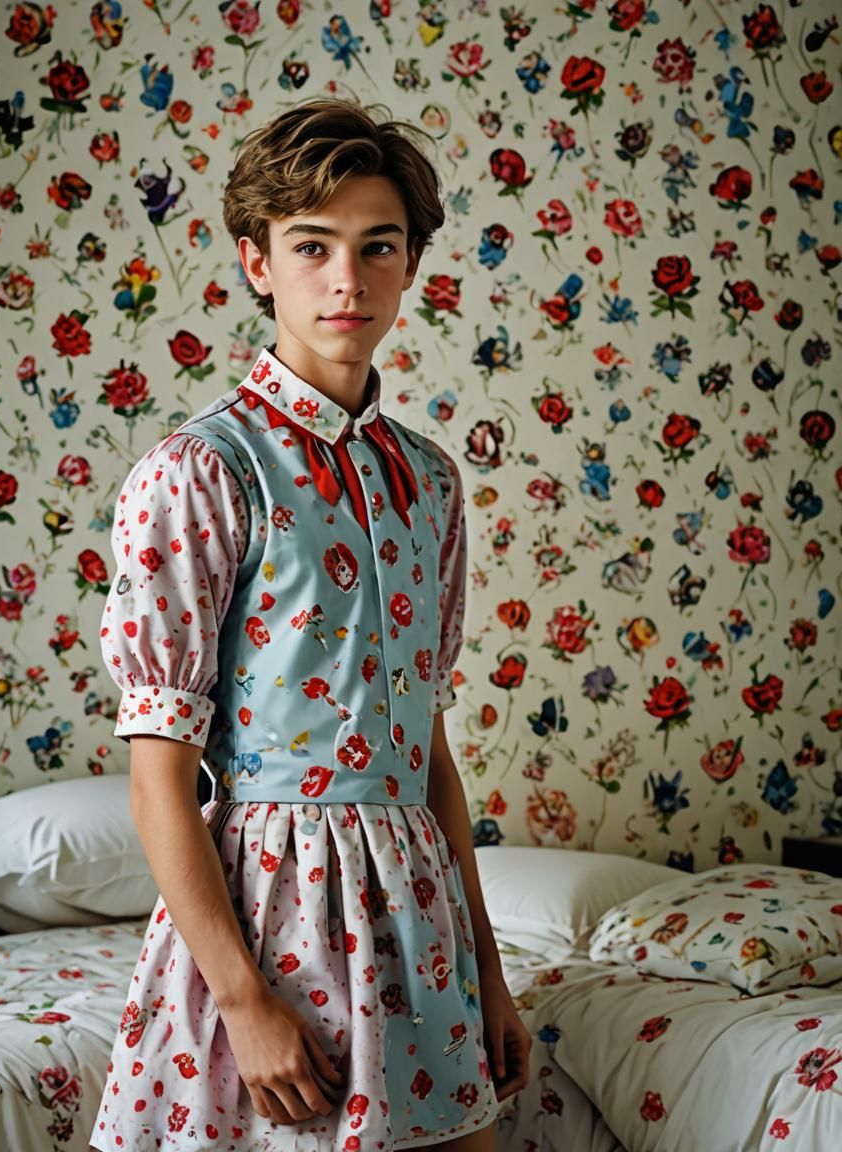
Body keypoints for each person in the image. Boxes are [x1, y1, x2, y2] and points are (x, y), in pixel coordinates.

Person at [90, 96, 532, 1152]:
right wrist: (242, 1003)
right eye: (312, 246)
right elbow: (159, 772)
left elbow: (422, 744)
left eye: (378, 247)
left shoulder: (428, 482)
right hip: (267, 917)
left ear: (410, 263)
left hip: (417, 922)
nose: (347, 278)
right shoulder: (200, 471)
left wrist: (485, 971)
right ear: (256, 263)